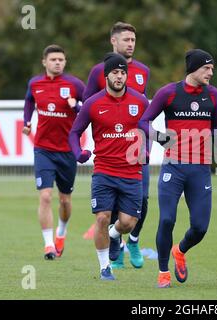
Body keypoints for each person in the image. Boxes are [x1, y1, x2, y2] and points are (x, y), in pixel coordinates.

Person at [138, 49, 217, 288]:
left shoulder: (214, 95)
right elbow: (142, 122)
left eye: (212, 68)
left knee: (200, 227)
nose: (210, 72)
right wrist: (161, 138)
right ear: (194, 69)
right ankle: (163, 272)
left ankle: (180, 250)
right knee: (167, 220)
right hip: (173, 167)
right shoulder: (168, 93)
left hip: (200, 169)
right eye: (206, 68)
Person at [69, 53, 149, 281]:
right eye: (115, 72)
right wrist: (78, 153)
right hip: (103, 171)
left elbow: (147, 128)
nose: (119, 76)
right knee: (102, 218)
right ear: (106, 76)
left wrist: (146, 150)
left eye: (123, 72)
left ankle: (115, 235)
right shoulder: (93, 103)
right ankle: (105, 268)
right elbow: (75, 132)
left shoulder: (140, 102)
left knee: (127, 223)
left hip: (132, 172)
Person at [83, 21, 151, 270]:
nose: (130, 44)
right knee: (107, 210)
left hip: (137, 152)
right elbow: (87, 103)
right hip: (110, 152)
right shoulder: (97, 72)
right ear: (114, 41)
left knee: (141, 202)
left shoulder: (143, 70)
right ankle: (116, 249)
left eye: (133, 40)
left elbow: (145, 111)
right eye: (126, 40)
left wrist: (149, 144)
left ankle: (131, 239)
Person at [23, 44, 85, 260]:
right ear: (44, 62)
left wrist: (75, 104)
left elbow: (90, 107)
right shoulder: (35, 83)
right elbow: (29, 101)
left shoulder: (75, 84)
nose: (57, 62)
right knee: (46, 196)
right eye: (53, 59)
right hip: (43, 149)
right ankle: (49, 245)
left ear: (65, 62)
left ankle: (61, 231)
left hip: (67, 150)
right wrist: (27, 122)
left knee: (65, 201)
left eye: (61, 59)